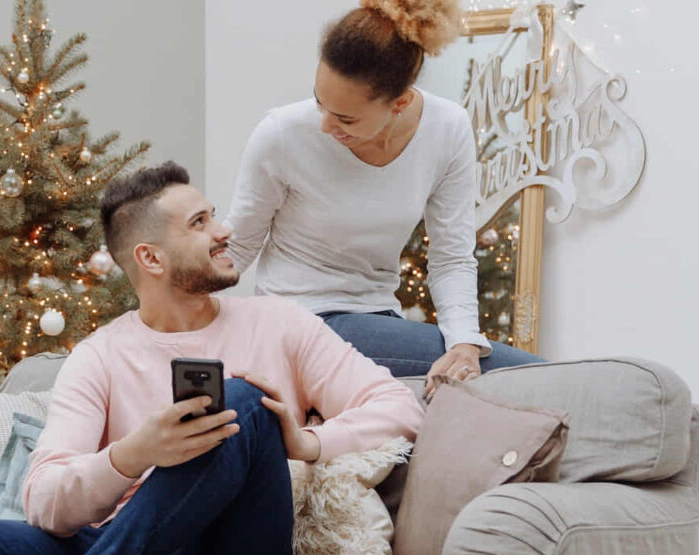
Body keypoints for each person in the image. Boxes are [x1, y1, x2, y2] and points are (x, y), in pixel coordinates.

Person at [0, 162, 425, 555]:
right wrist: (132, 455)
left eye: (213, 216)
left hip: (229, 549)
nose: (224, 231)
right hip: (127, 542)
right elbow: (43, 500)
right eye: (200, 223)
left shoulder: (279, 323)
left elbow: (400, 407)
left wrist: (306, 443)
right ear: (151, 259)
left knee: (242, 399)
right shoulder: (100, 355)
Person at [224, 0, 542, 400]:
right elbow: (237, 247)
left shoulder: (447, 130)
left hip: (378, 315)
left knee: (492, 375)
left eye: (345, 119)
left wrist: (464, 343)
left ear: (401, 103)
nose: (325, 124)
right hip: (297, 320)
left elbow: (451, 258)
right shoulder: (281, 134)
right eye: (319, 103)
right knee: (533, 375)